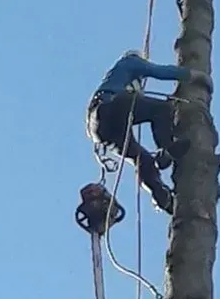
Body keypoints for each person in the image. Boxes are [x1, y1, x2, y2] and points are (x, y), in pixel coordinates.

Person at [86, 50, 207, 214]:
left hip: (100, 129)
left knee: (142, 159)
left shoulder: (115, 80)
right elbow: (159, 71)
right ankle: (165, 149)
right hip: (111, 106)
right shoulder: (130, 62)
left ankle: (161, 196)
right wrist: (193, 75)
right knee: (161, 109)